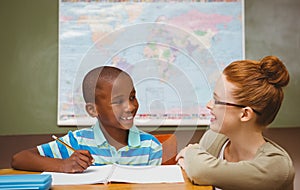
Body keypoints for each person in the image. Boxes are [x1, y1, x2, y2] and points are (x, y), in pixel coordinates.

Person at [11, 66, 162, 173]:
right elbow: (19, 159)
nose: (130, 107)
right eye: (118, 101)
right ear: (93, 110)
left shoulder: (150, 147)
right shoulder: (76, 142)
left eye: (132, 97)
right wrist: (63, 165)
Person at [176, 56, 295, 190]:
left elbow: (199, 171)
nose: (209, 105)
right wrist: (193, 163)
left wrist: (190, 152)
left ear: (244, 114)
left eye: (217, 100)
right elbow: (196, 174)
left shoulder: (277, 165)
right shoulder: (213, 138)